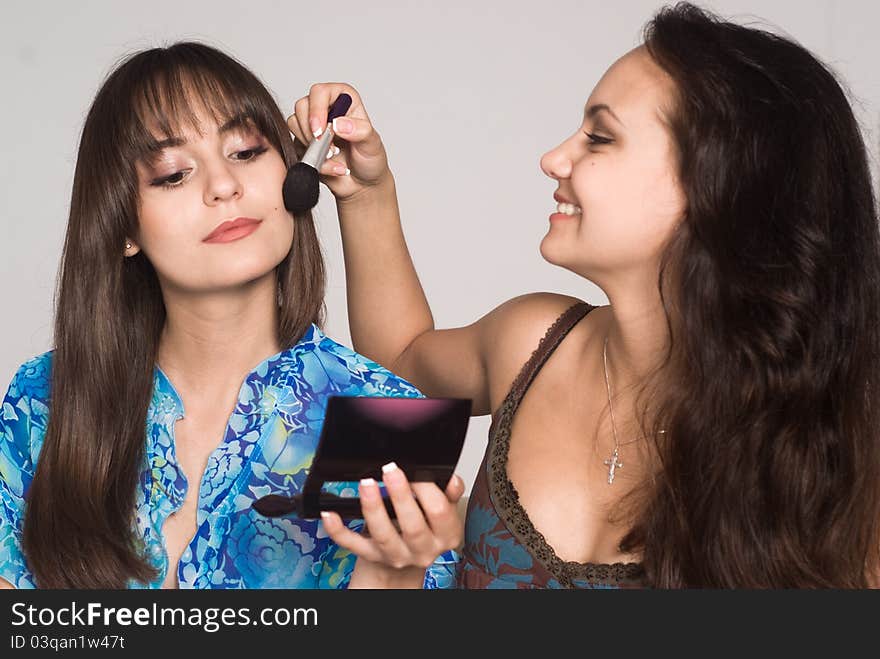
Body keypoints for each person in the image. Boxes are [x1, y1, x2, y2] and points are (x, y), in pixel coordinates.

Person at [295, 3, 880, 587]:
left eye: (599, 138)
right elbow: (401, 360)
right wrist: (364, 192)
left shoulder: (840, 453)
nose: (554, 159)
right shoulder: (534, 340)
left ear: (718, 187)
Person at [0, 41, 461, 589]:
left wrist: (392, 576)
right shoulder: (45, 398)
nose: (224, 187)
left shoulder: (384, 421)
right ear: (122, 227)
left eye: (245, 152)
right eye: (173, 174)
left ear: (298, 178)